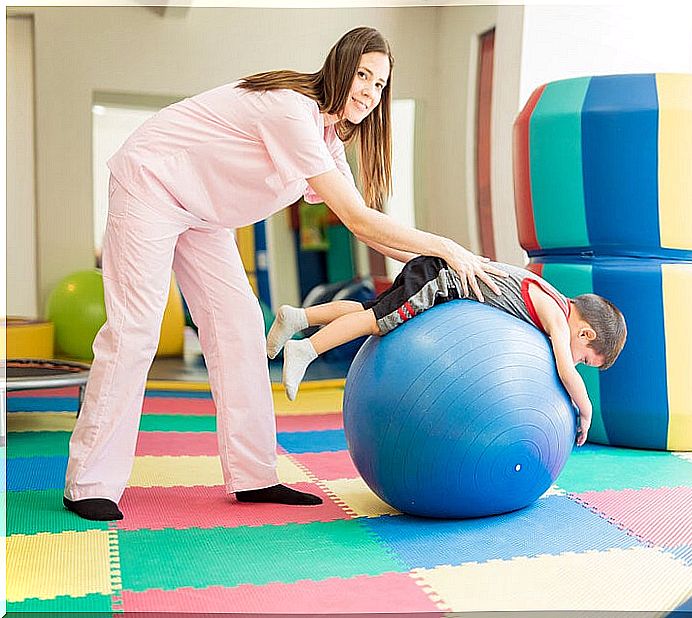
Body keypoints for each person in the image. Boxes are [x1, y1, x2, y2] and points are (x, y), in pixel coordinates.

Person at [63, 26, 506, 522]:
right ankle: (89, 482)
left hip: (204, 214)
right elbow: (361, 220)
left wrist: (441, 268)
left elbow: (365, 230)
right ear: (339, 67)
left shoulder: (326, 141)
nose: (369, 91)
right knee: (135, 332)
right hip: (150, 183)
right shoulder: (290, 110)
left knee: (240, 326)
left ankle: (254, 477)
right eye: (363, 75)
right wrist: (447, 246)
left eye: (380, 84)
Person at [266, 255, 627, 446]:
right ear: (585, 331)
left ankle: (298, 317)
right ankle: (306, 350)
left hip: (433, 272)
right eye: (584, 357)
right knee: (376, 322)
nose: (576, 361)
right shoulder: (559, 319)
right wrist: (585, 409)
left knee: (370, 311)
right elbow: (564, 370)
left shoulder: (552, 298)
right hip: (438, 280)